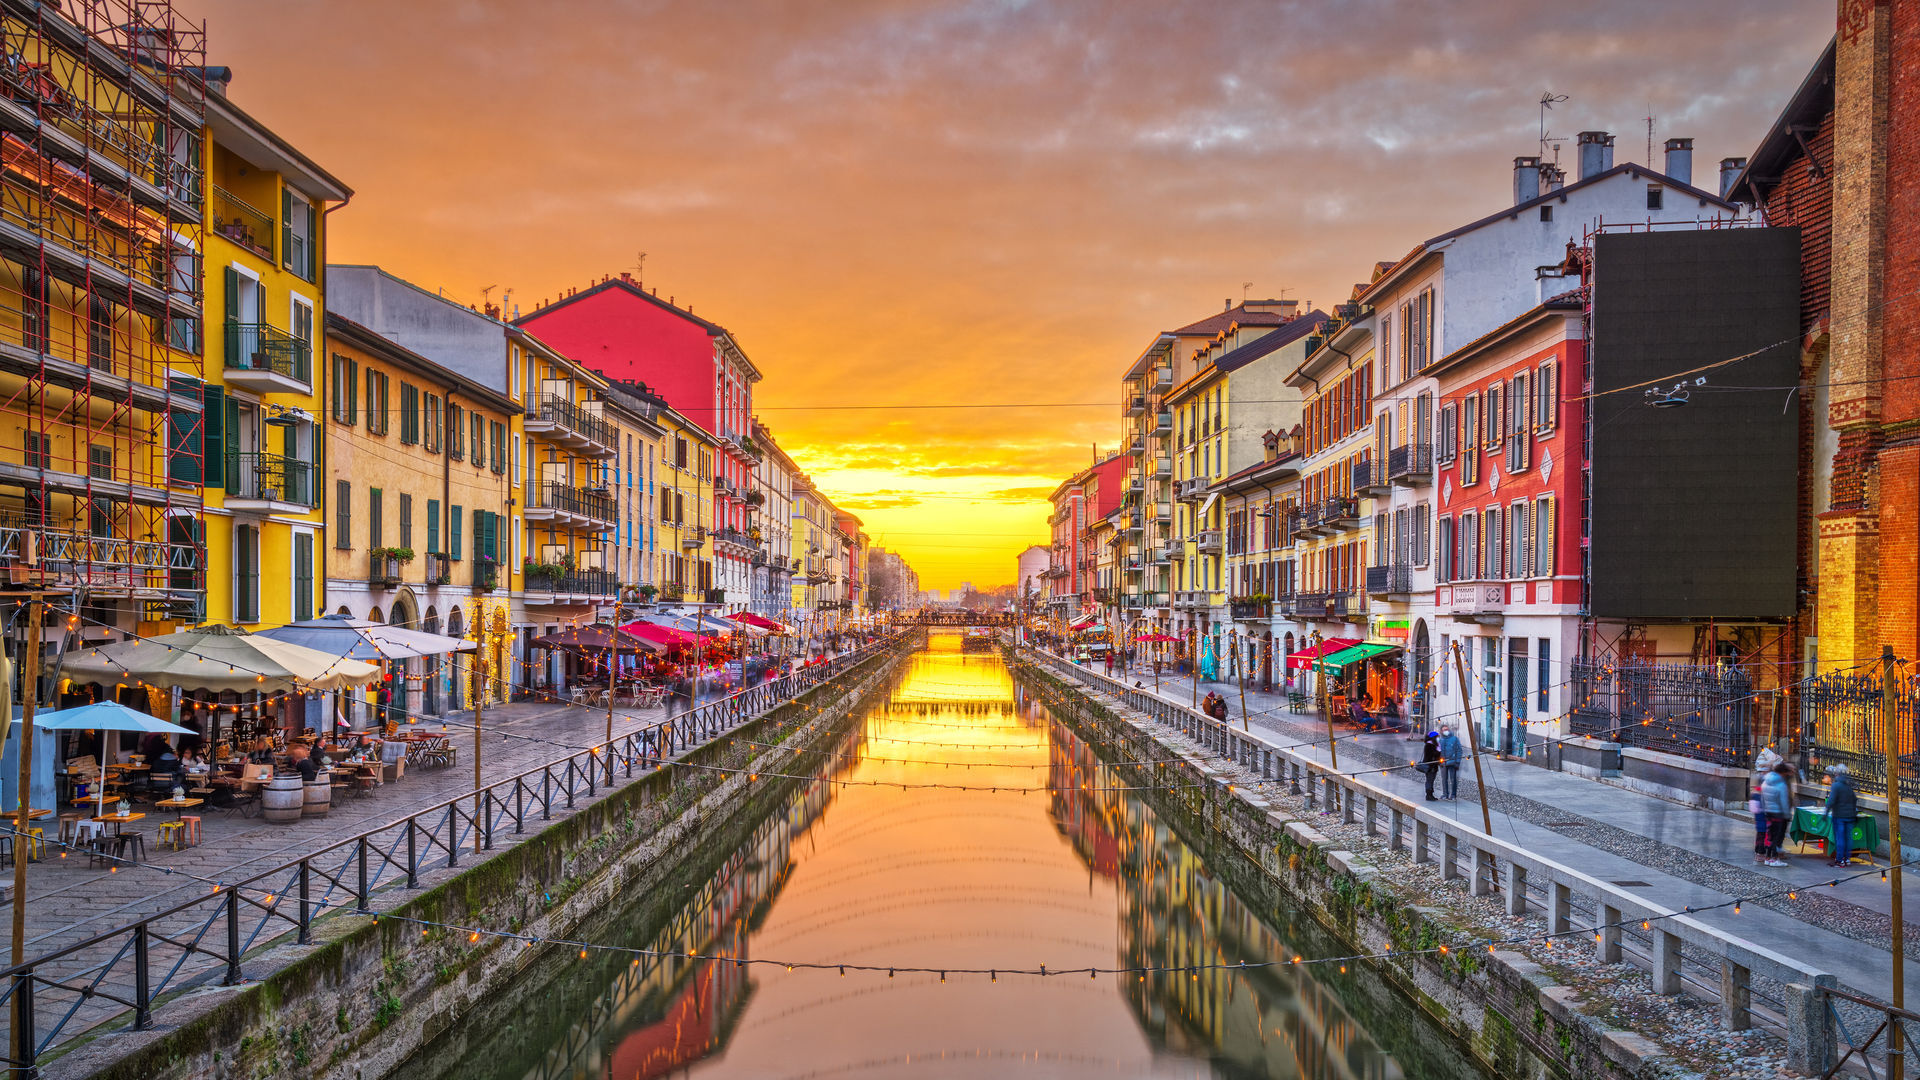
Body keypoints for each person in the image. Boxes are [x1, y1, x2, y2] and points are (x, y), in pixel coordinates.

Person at [1825, 763, 1859, 867]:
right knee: (1848, 838)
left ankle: (1839, 860)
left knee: (1840, 838)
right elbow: (1854, 799)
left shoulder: (1836, 785)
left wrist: (1826, 812)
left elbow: (1831, 800)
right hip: (1850, 815)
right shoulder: (1849, 785)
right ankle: (1847, 859)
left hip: (1839, 815)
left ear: (1837, 774)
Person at [1759, 762, 1793, 866]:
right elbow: (1783, 802)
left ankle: (1767, 857)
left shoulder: (1765, 781)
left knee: (1770, 836)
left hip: (1768, 812)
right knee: (1775, 837)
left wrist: (1765, 809)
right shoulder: (1781, 784)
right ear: (1782, 772)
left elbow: (1762, 798)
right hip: (1778, 813)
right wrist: (1787, 814)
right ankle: (1774, 858)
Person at [1437, 724, 1465, 801]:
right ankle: (1445, 794)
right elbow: (1438, 751)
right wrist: (1439, 761)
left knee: (1453, 779)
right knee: (1444, 779)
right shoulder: (1440, 740)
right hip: (1443, 763)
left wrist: (1457, 762)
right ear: (1441, 731)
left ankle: (1453, 795)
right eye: (1444, 730)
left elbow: (1459, 750)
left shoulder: (1454, 739)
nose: (1446, 731)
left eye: (1447, 729)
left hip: (1452, 762)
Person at [1421, 731, 1442, 801]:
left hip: (1433, 766)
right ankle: (1429, 795)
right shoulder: (1429, 745)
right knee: (1429, 780)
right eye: (1437, 737)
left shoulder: (1434, 744)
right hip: (1430, 766)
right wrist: (1438, 751)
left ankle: (1430, 794)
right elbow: (1430, 756)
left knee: (1431, 780)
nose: (1438, 738)